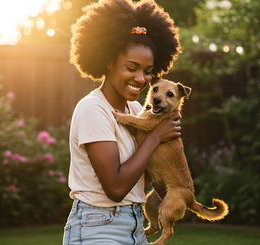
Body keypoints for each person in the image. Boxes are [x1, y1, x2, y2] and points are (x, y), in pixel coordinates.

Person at [63, 0, 181, 244]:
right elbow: (116, 188)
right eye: (132, 68)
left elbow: (137, 178)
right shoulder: (93, 109)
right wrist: (157, 136)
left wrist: (168, 150)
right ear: (108, 62)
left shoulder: (135, 109)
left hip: (135, 226)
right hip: (97, 228)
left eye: (148, 71)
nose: (141, 78)